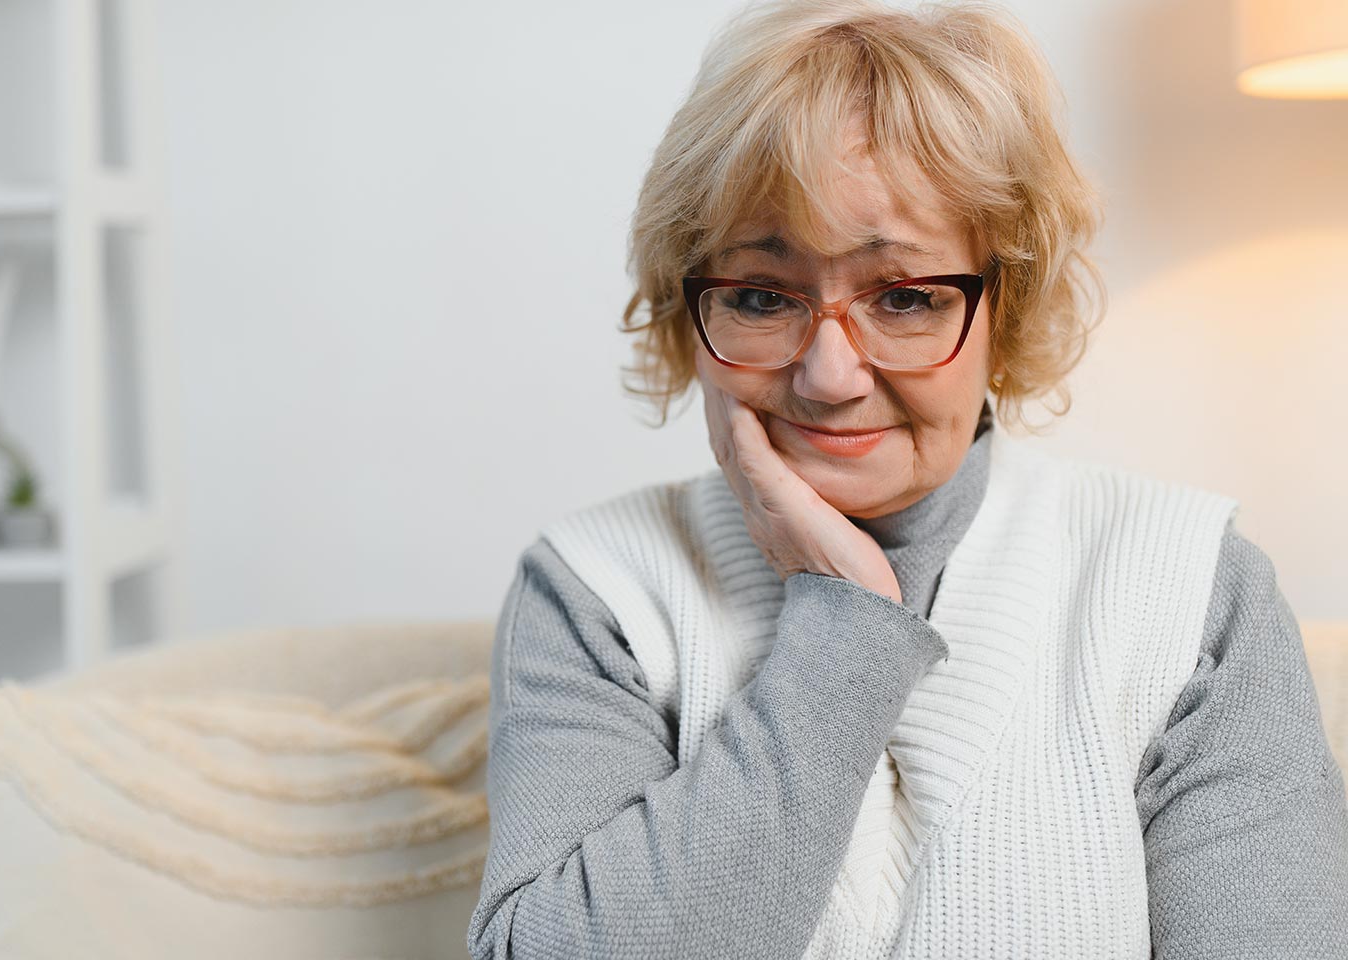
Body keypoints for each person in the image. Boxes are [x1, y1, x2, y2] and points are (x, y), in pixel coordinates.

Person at [465, 0, 1348, 956]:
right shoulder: (598, 588)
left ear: (1004, 310)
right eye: (763, 296)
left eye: (906, 298)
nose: (830, 375)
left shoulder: (1190, 591)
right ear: (690, 309)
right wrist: (842, 635)